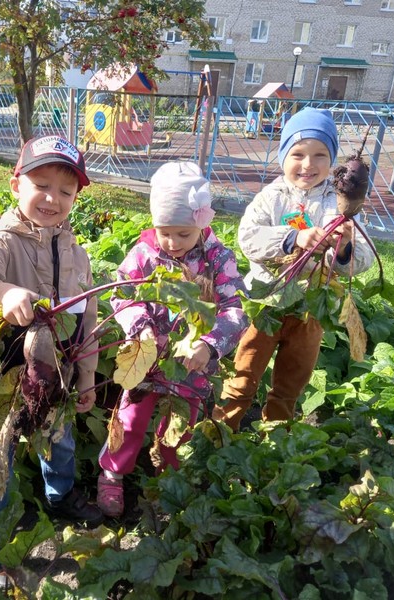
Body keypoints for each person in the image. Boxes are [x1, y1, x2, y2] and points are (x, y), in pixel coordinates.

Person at [0, 135, 104, 580]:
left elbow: (88, 317)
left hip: (57, 373)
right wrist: (4, 293)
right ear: (15, 185)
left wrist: (86, 377)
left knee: (60, 440)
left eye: (66, 191)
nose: (52, 199)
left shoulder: (77, 252)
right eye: (41, 185)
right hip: (5, 377)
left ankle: (59, 496)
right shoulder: (4, 239)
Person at [96, 161, 248, 518]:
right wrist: (141, 327)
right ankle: (112, 473)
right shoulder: (144, 253)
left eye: (183, 234)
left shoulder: (218, 259)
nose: (173, 242)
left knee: (178, 428)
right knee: (130, 419)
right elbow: (122, 294)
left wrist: (209, 344)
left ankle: (168, 480)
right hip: (146, 360)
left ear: (201, 225)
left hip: (191, 365)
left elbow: (236, 310)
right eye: (165, 232)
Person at [214, 107, 375, 431]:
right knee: (243, 374)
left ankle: (276, 437)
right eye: (298, 154)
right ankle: (221, 431)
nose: (308, 164)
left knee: (292, 381)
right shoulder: (271, 197)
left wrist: (343, 248)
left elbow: (364, 258)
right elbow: (248, 238)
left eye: (320, 155)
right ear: (283, 156)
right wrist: (292, 238)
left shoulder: (340, 203)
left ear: (332, 161)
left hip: (309, 307)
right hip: (266, 300)